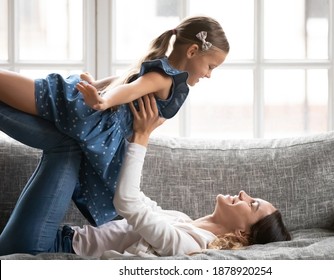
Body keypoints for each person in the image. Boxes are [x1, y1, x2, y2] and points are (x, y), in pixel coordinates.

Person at [0, 16, 230, 226]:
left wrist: (99, 89)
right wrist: (102, 101)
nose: (209, 74)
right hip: (93, 116)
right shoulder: (164, 79)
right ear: (192, 51)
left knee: (41, 95)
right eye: (210, 66)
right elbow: (132, 87)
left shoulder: (167, 78)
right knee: (41, 93)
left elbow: (126, 82)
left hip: (95, 121)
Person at [0, 95, 291, 257]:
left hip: (42, 248)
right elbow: (134, 197)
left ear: (243, 233)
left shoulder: (188, 246)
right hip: (56, 237)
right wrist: (122, 132)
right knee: (75, 139)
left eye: (252, 204)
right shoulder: (182, 219)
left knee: (67, 146)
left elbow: (128, 203)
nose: (244, 194)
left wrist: (142, 135)